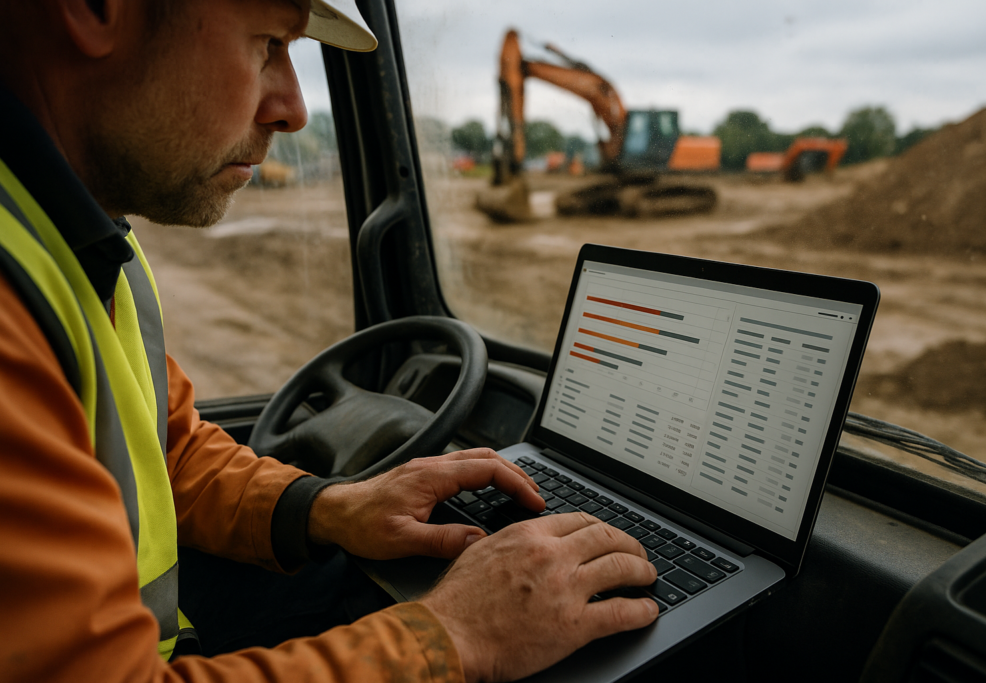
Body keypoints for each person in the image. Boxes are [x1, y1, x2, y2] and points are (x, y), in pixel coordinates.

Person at [0, 1, 660, 681]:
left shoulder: (85, 238)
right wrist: (455, 636)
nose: (292, 109)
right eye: (267, 44)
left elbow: (167, 452)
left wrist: (329, 506)